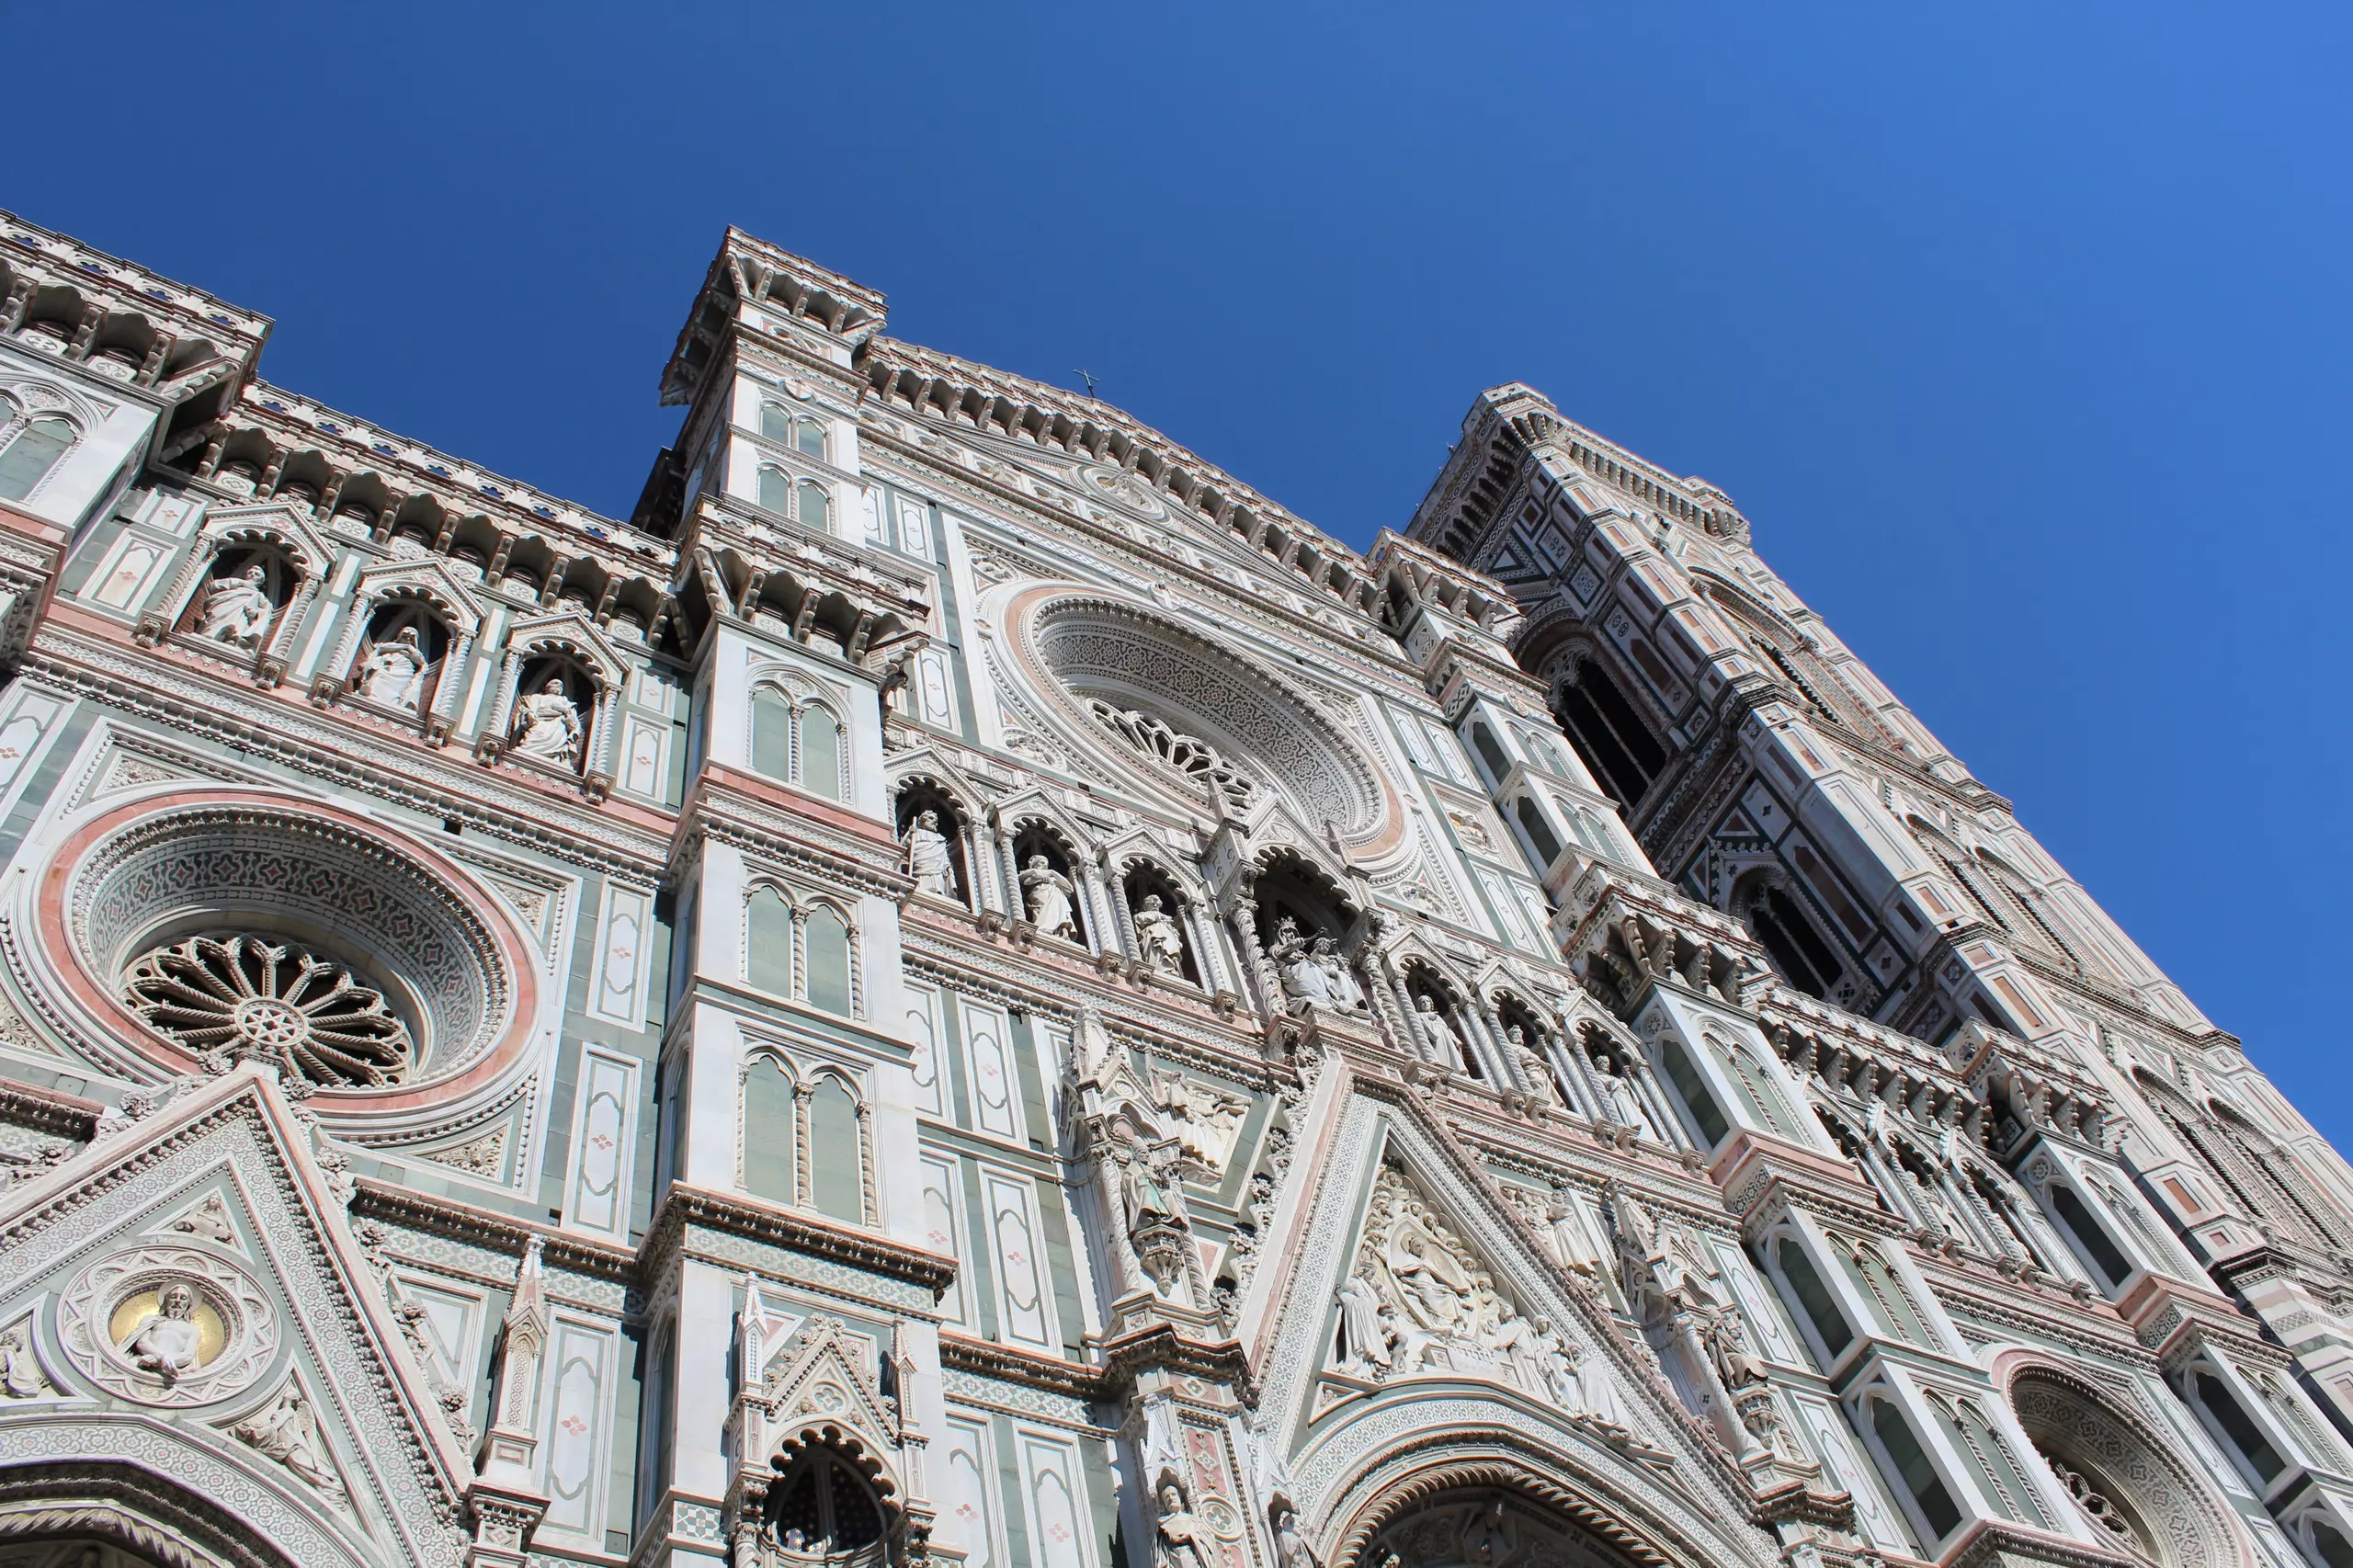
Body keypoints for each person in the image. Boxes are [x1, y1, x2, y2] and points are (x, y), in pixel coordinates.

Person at [119, 1282, 203, 1380]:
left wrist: (158, 1359)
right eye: (173, 1297)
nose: (177, 1301)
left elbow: (187, 1356)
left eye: (183, 1298)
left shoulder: (193, 1329)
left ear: (189, 1304)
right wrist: (162, 1357)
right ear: (167, 1300)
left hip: (172, 1371)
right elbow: (142, 1342)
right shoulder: (151, 1320)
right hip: (142, 1362)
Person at [196, 562, 273, 647]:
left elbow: (266, 612)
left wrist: (255, 613)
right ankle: (208, 636)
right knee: (216, 622)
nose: (252, 575)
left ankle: (231, 640)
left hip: (242, 615)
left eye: (256, 574)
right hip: (224, 606)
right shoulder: (235, 583)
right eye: (250, 572)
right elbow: (214, 586)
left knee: (238, 624)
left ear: (260, 581)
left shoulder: (258, 595)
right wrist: (240, 582)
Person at [511, 677, 584, 765]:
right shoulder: (537, 697)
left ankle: (554, 757)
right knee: (529, 742)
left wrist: (565, 710)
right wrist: (531, 714)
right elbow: (527, 712)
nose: (559, 686)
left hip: (557, 729)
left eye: (561, 686)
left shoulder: (565, 702)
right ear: (548, 687)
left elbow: (574, 724)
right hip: (540, 724)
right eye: (556, 683)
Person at [359, 624, 430, 710]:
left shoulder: (415, 651)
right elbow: (382, 648)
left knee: (398, 688)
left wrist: (411, 650)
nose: (408, 639)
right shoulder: (393, 645)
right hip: (391, 664)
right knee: (380, 674)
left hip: (405, 669)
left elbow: (421, 661)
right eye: (405, 637)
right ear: (400, 636)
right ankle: (371, 694)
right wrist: (406, 647)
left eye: (411, 639)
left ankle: (394, 703)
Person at [1154, 1483, 1213, 1568]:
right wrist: (1162, 1535)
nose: (1171, 1498)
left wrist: (1189, 1537)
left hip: (1192, 1561)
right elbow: (1159, 1553)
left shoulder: (1193, 1520)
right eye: (1167, 1497)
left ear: (1179, 1498)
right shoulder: (1163, 1524)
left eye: (1173, 1494)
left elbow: (1208, 1539)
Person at [1020, 854, 1076, 939]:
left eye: (1046, 864)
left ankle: (1059, 931)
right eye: (1042, 863)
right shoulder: (1031, 873)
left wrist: (1053, 873)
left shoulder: (1052, 875)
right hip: (1039, 894)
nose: (1045, 865)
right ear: (1035, 864)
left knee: (1057, 905)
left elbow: (1070, 888)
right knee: (1042, 910)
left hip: (1053, 894)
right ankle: (1044, 927)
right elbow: (1024, 881)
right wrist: (1042, 878)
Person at [902, 810, 955, 898]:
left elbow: (945, 858)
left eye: (936, 820)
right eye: (931, 818)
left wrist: (948, 868)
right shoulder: (916, 833)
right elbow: (902, 848)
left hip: (937, 871)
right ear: (923, 820)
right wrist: (909, 833)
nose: (934, 821)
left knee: (939, 893)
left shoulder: (940, 838)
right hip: (921, 869)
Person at [1132, 893, 1186, 974]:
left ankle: (1171, 970)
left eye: (1157, 904)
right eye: (1152, 904)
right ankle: (1159, 969)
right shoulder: (1141, 915)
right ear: (1146, 906)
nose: (1155, 905)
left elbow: (1174, 932)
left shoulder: (1166, 921)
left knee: (1169, 955)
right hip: (1152, 941)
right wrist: (1159, 916)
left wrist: (1177, 940)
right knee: (1157, 956)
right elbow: (1139, 920)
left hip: (1168, 943)